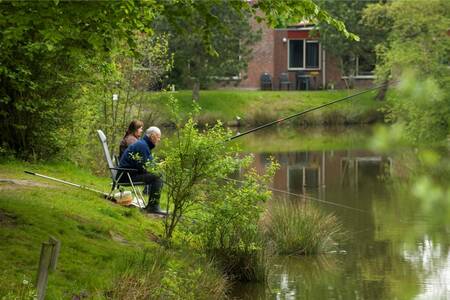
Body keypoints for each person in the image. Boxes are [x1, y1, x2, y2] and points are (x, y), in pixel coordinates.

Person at [117, 126, 167, 215]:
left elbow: (146, 165)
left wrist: (157, 166)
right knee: (157, 176)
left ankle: (153, 206)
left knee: (157, 174)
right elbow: (146, 168)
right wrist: (156, 168)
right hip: (126, 176)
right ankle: (153, 207)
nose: (159, 139)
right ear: (152, 136)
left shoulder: (143, 144)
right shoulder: (143, 146)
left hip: (128, 174)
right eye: (158, 137)